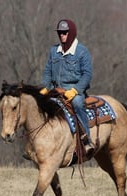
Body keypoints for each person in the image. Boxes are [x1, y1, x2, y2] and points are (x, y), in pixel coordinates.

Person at [40, 19, 94, 155]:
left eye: (64, 33)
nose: (62, 35)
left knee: (77, 104)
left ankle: (86, 139)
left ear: (71, 33)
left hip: (75, 90)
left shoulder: (82, 52)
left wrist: (75, 90)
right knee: (39, 104)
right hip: (56, 89)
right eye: (60, 33)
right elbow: (48, 71)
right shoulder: (54, 51)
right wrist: (45, 88)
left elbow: (87, 75)